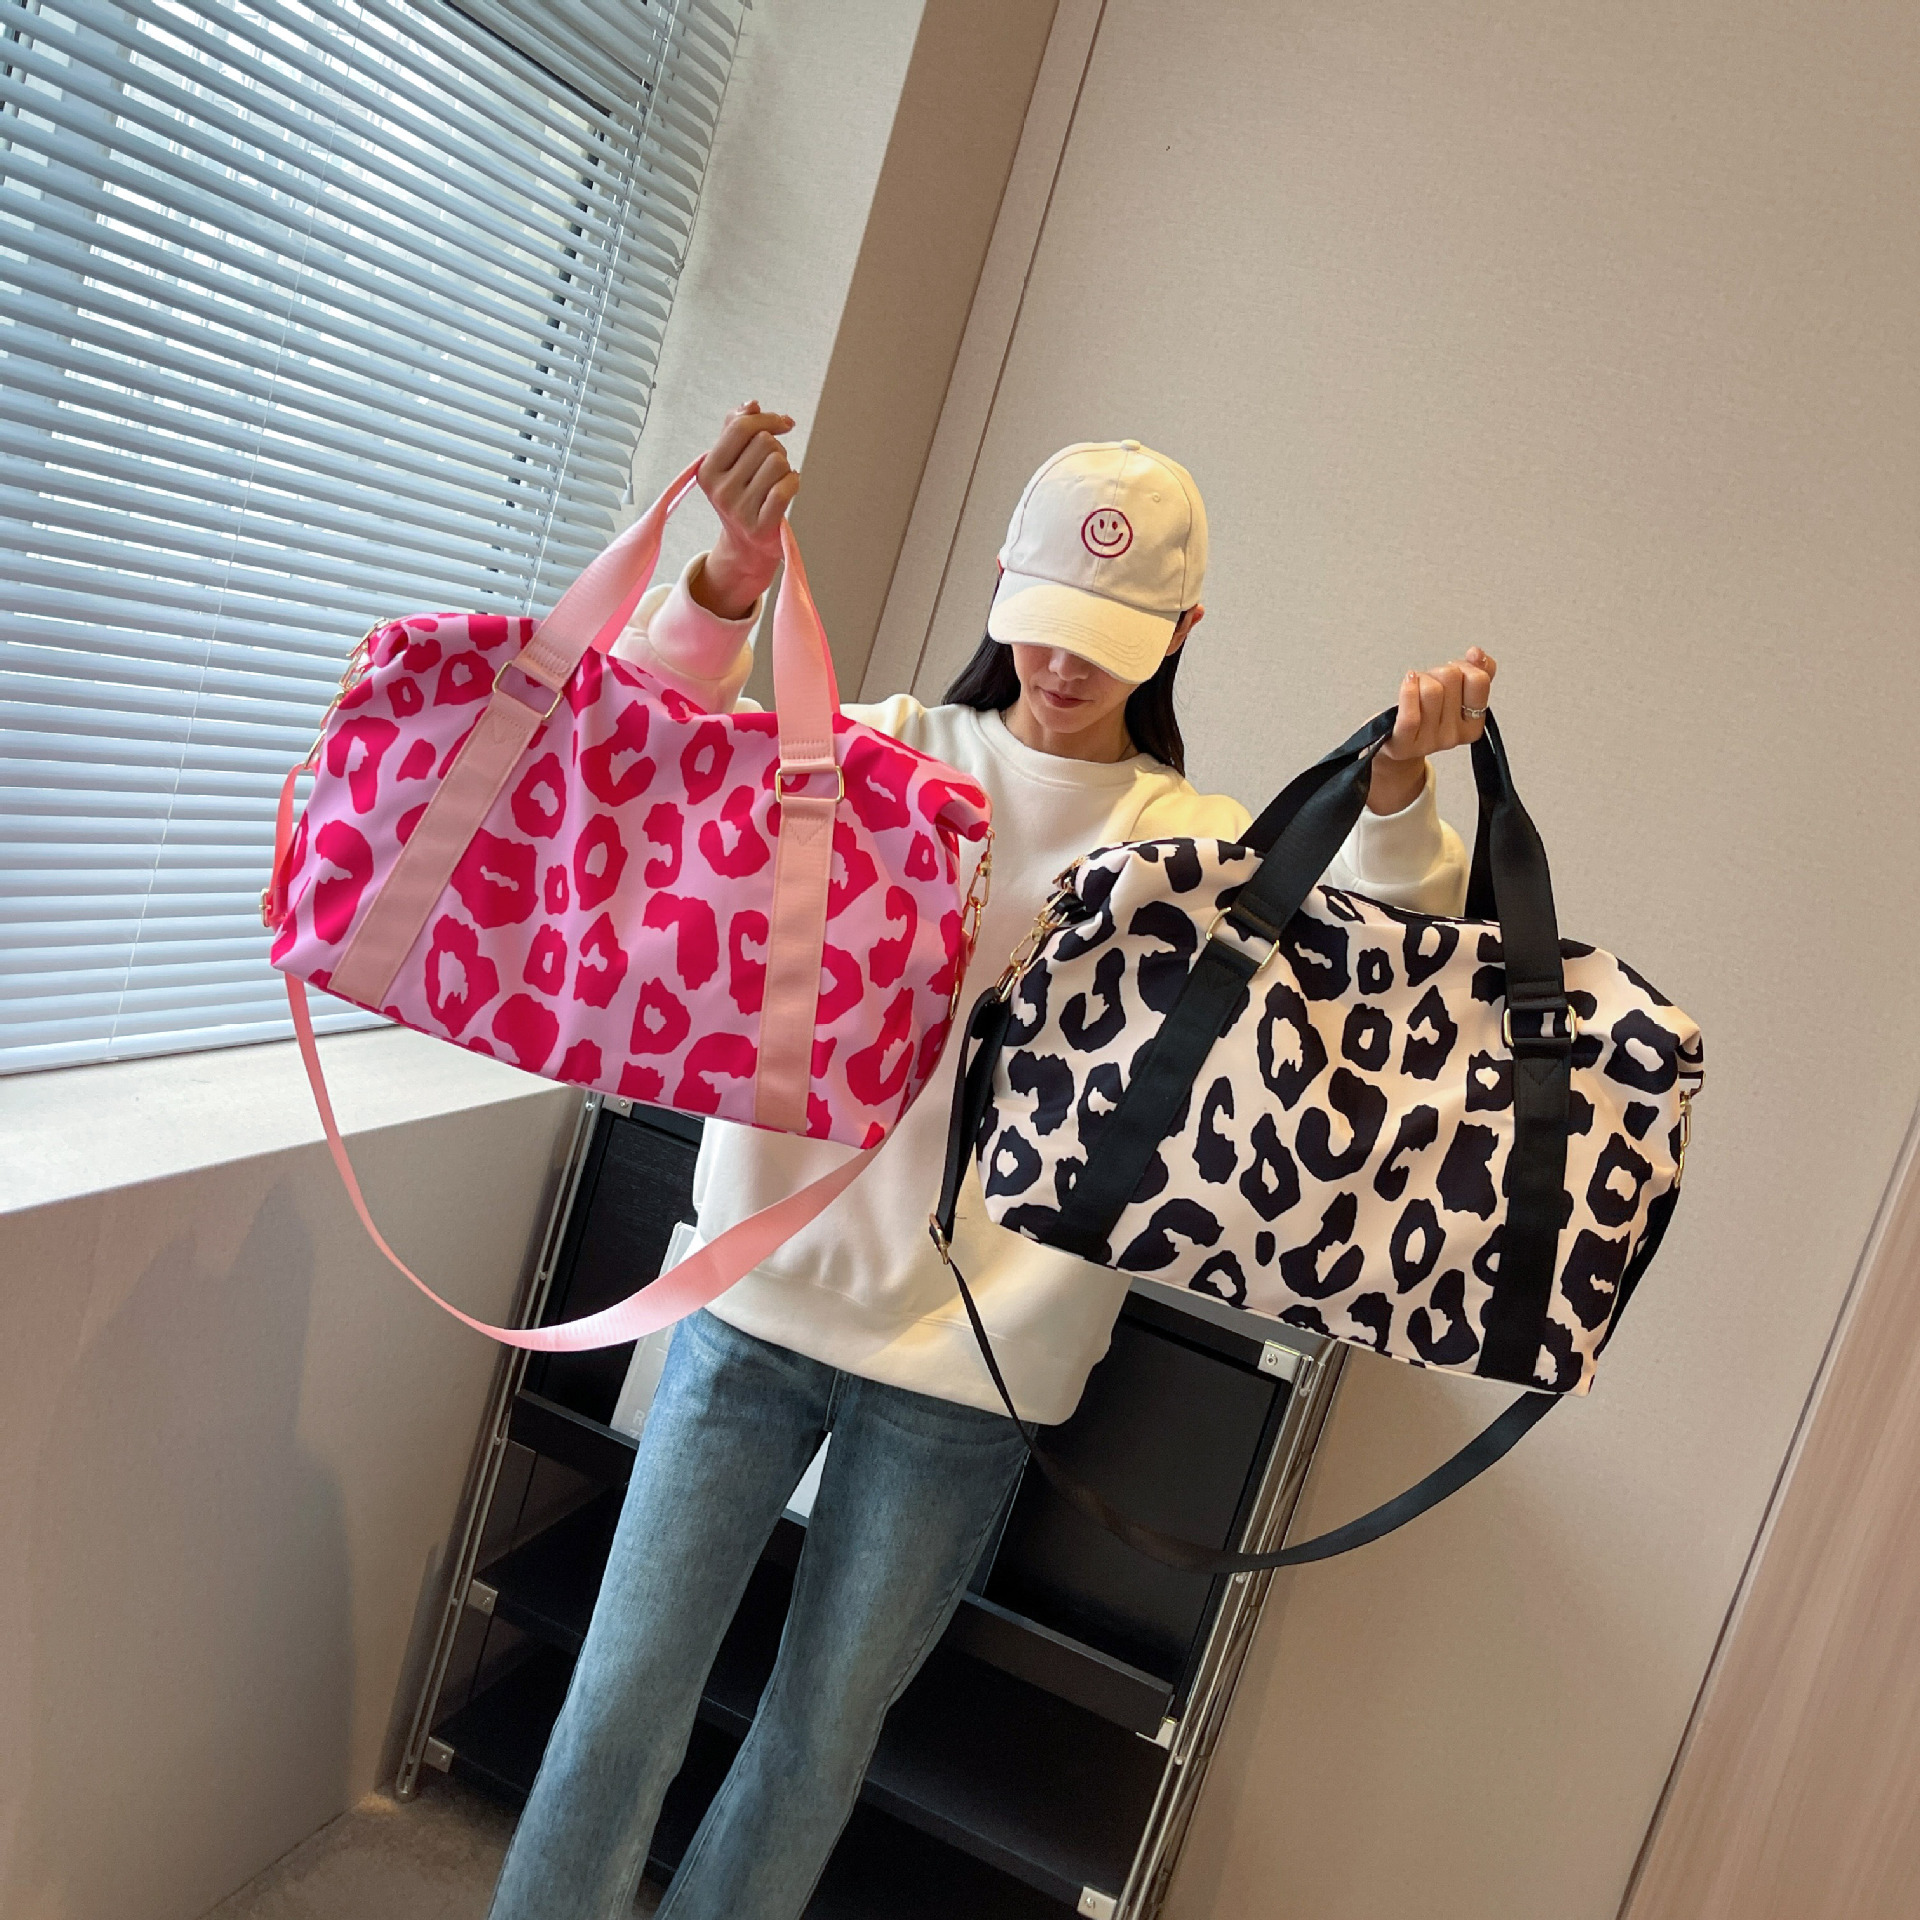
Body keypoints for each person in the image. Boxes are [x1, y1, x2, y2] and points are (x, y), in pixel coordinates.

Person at [487, 407, 1496, 1920]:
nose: (1063, 665)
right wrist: (726, 582)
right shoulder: (889, 749)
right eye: (1043, 622)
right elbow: (657, 759)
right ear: (1002, 593)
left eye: (1107, 637)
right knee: (620, 1693)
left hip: (973, 1372)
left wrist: (1400, 789)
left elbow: (1381, 956)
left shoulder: (1190, 843)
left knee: (816, 1744)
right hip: (753, 1304)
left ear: (1182, 632)